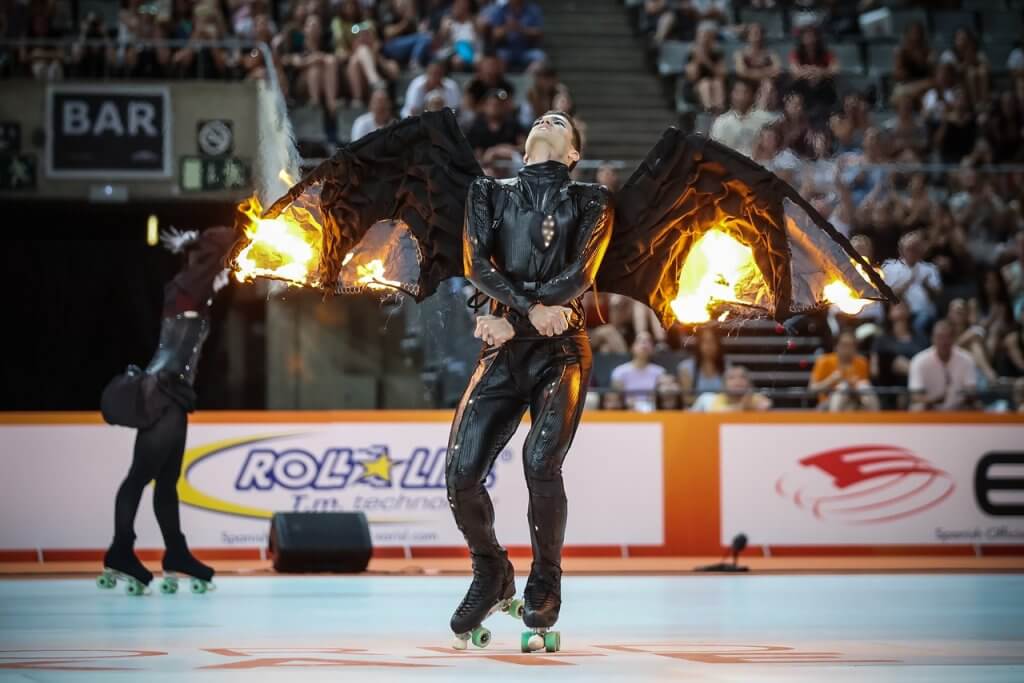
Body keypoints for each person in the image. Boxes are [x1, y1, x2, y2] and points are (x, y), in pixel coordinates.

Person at [445, 111, 612, 650]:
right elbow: (477, 264)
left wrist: (513, 316)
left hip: (562, 350)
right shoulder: (486, 193)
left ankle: (545, 580)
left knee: (541, 462)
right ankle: (491, 570)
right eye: (543, 118)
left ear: (572, 155)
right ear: (525, 146)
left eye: (563, 124)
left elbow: (580, 275)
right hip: (503, 351)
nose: (549, 119)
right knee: (460, 474)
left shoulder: (593, 201)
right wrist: (522, 314)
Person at [97, 227, 236, 595]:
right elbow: (221, 255)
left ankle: (175, 552)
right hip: (164, 398)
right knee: (140, 476)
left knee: (165, 482)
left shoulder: (187, 288)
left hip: (171, 395)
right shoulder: (190, 287)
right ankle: (121, 550)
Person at [908, 320, 977, 411]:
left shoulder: (967, 359)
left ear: (954, 338)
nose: (944, 342)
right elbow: (915, 396)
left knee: (976, 407)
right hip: (929, 410)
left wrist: (966, 396)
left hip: (959, 410)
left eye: (947, 337)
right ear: (932, 338)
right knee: (916, 408)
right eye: (940, 337)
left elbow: (971, 390)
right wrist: (933, 400)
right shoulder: (919, 361)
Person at [808, 329, 879, 411]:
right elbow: (812, 389)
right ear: (836, 346)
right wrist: (831, 380)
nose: (847, 349)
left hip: (856, 400)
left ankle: (875, 419)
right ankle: (836, 421)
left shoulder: (862, 362)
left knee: (864, 387)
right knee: (842, 388)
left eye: (851, 345)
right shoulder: (824, 361)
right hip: (828, 402)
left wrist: (855, 384)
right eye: (844, 345)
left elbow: (864, 385)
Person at [710, 79, 778, 157]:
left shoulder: (766, 119)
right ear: (731, 95)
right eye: (737, 92)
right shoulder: (721, 122)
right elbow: (715, 150)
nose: (740, 96)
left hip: (758, 165)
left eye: (745, 92)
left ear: (753, 95)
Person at [610, 332, 666, 411]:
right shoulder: (620, 371)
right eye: (640, 341)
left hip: (653, 412)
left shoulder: (660, 372)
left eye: (648, 341)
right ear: (632, 347)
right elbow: (616, 398)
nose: (644, 344)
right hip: (627, 412)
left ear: (653, 348)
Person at [677, 326, 726, 405]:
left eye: (712, 341)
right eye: (705, 341)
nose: (709, 346)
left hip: (720, 412)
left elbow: (729, 397)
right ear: (699, 344)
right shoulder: (685, 368)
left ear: (718, 344)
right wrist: (707, 401)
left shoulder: (726, 367)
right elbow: (686, 399)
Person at [691, 365, 772, 412]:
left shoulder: (754, 397)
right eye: (731, 378)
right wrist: (742, 407)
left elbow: (766, 404)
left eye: (742, 377)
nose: (738, 381)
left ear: (749, 383)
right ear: (724, 384)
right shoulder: (714, 399)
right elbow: (717, 412)